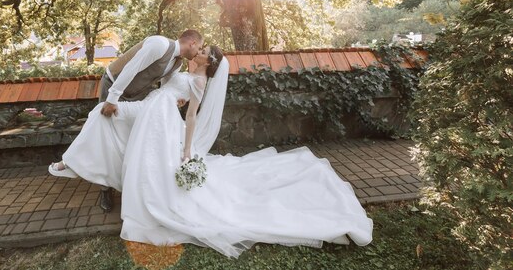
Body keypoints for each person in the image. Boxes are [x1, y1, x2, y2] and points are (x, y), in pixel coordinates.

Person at [118, 45, 374, 258]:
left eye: (204, 50)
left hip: (167, 125)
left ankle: (151, 199)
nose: (200, 50)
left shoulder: (199, 80)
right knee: (152, 162)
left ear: (210, 61)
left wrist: (187, 149)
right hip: (159, 120)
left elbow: (192, 116)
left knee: (161, 166)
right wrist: (176, 97)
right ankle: (146, 193)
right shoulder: (188, 69)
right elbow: (173, 92)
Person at [48, 30, 204, 212]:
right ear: (192, 42)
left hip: (137, 94)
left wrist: (174, 98)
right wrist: (112, 98)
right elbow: (132, 67)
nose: (199, 51)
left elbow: (166, 85)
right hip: (114, 85)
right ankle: (103, 189)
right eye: (199, 47)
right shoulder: (159, 44)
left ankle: (121, 181)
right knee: (103, 125)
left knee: (129, 135)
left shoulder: (176, 63)